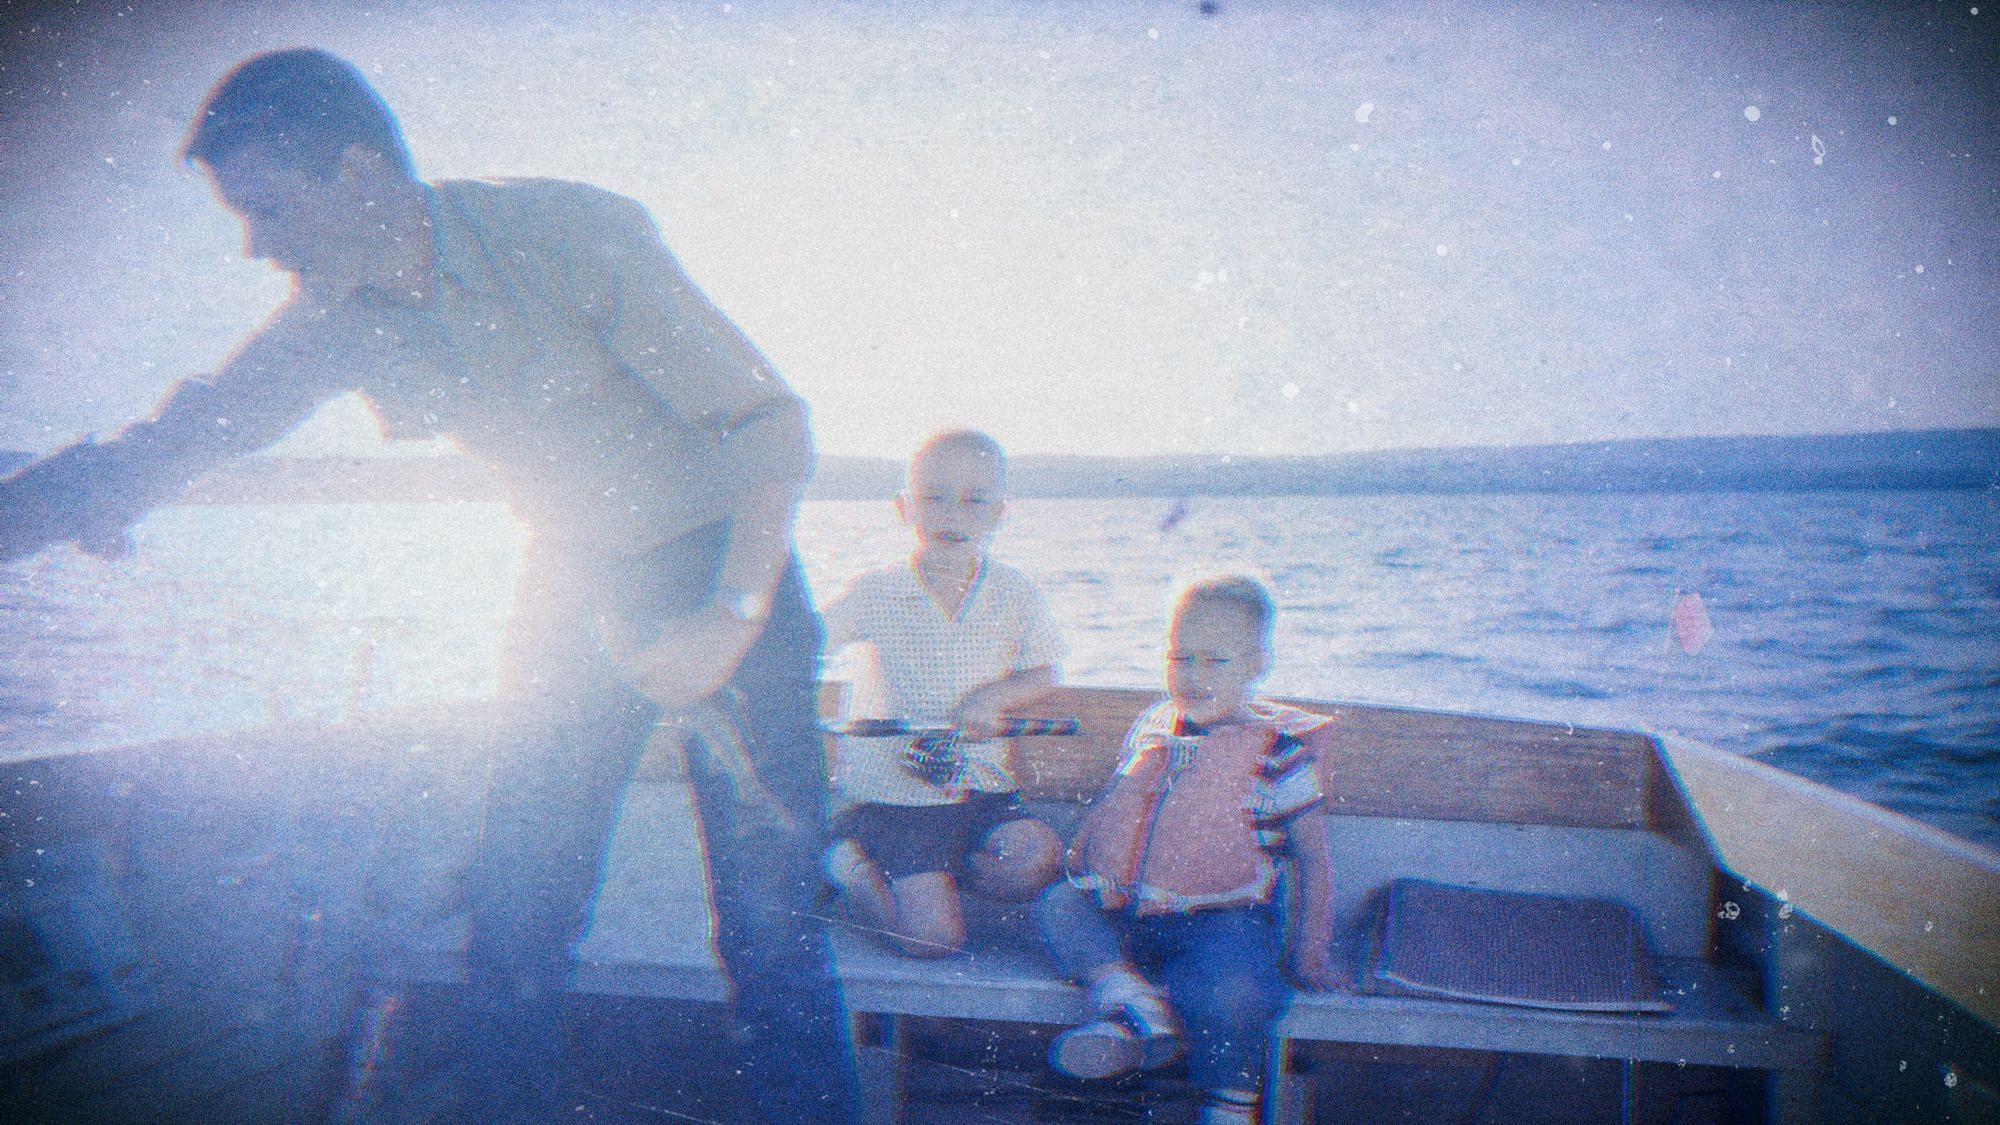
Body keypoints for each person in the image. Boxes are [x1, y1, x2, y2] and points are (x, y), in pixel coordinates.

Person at [0, 48, 857, 1122]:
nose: (254, 246)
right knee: (514, 912)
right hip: (570, 581)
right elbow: (177, 438)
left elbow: (766, 425)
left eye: (267, 209)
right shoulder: (330, 319)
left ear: (359, 173)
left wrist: (728, 618)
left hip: (725, 566)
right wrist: (72, 506)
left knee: (770, 925)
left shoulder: (568, 232)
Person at [1033, 574, 1343, 1125]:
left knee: (1234, 992)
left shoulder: (1281, 755)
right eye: (1180, 658)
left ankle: (1229, 1102)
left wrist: (1310, 948)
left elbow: (1313, 859)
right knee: (1057, 903)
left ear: (1255, 665)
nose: (1192, 676)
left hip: (1223, 920)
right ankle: (1133, 1004)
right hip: (1125, 909)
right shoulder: (1154, 726)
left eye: (1215, 662)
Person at [820, 429, 1065, 956]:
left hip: (980, 792)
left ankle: (932, 881)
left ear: (997, 513)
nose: (953, 514)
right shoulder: (875, 590)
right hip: (897, 800)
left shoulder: (1015, 592)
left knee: (1036, 858)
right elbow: (809, 642)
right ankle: (845, 862)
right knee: (929, 940)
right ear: (904, 508)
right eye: (934, 497)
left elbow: (1044, 674)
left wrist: (991, 700)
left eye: (974, 500)